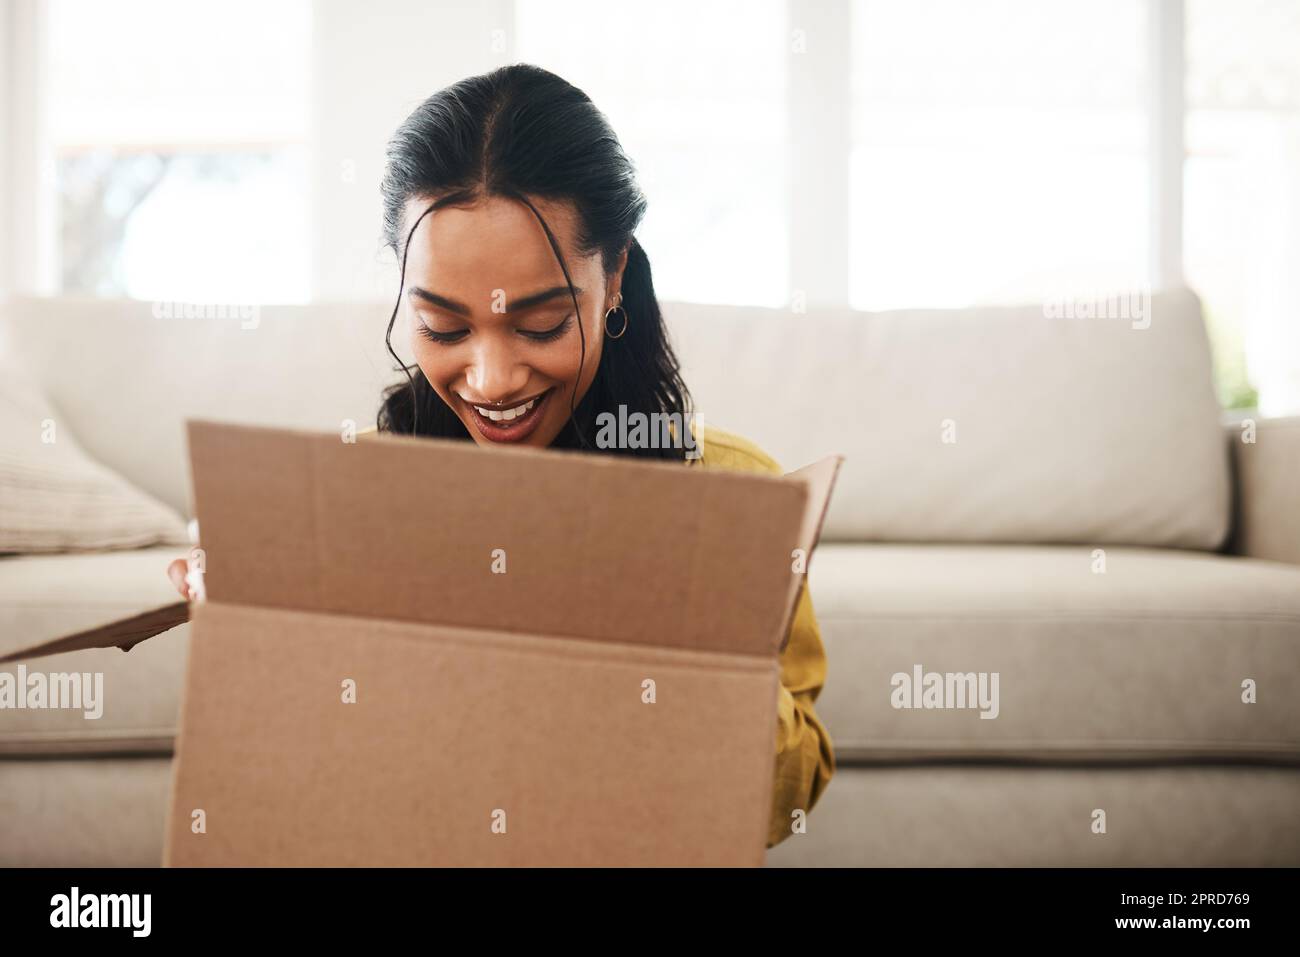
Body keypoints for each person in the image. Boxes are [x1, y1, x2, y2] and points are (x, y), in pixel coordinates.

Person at [168, 63, 833, 850]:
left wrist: (669, 630)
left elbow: (782, 801)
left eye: (543, 323)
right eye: (445, 329)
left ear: (614, 275)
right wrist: (250, 634)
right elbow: (300, 786)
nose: (491, 380)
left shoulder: (732, 495)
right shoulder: (351, 501)